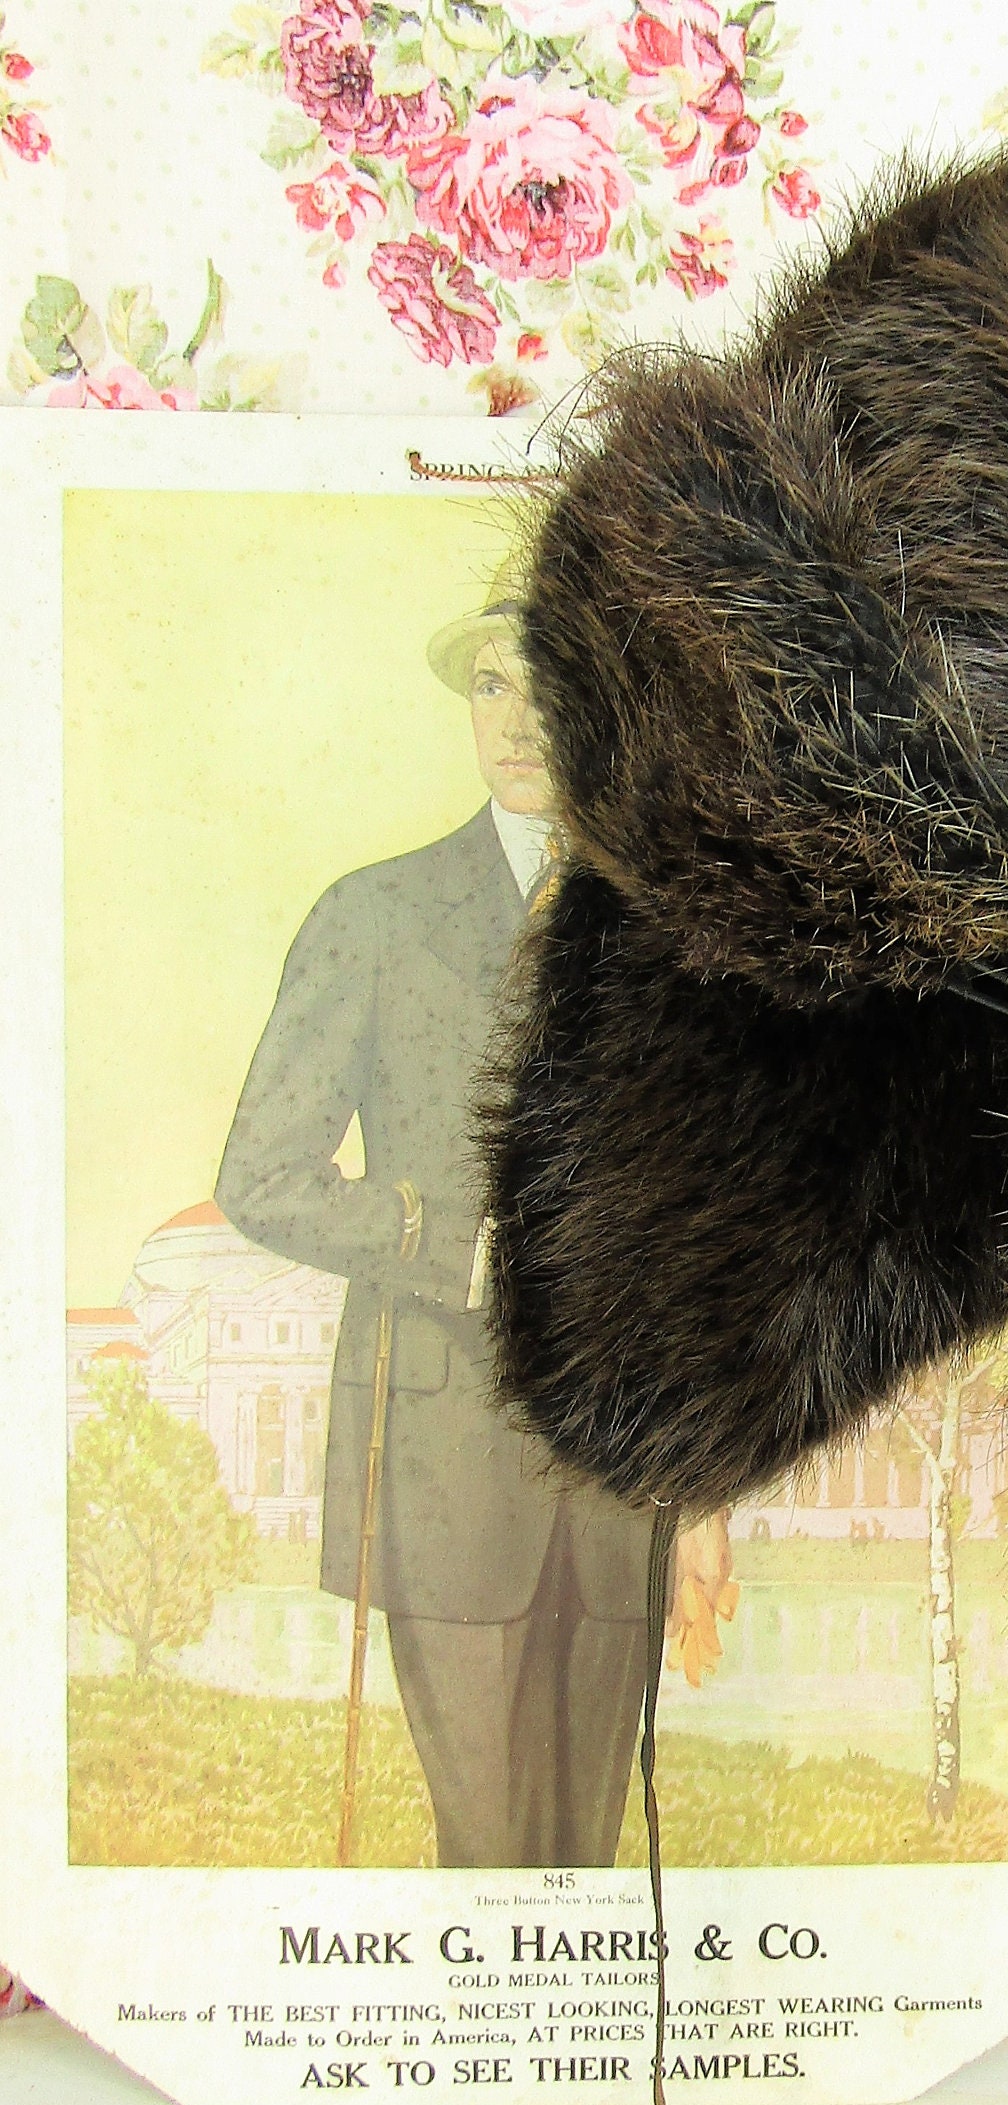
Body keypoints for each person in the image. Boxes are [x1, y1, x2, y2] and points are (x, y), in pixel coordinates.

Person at [216, 566, 729, 1867]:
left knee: (588, 1860)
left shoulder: (676, 928)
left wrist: (707, 1489)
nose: (518, 718)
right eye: (493, 684)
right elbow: (261, 1176)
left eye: (552, 684)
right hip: (440, 1462)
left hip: (623, 1485)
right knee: (486, 1856)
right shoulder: (374, 915)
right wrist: (452, 1245)